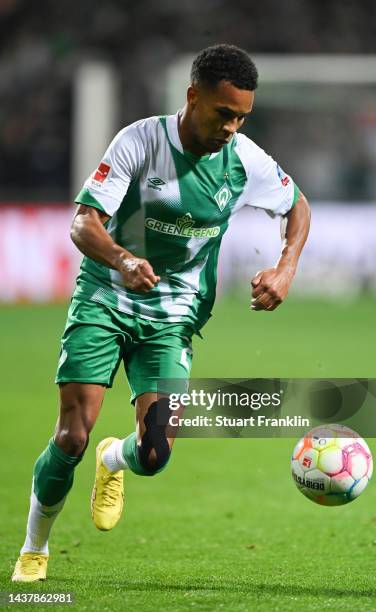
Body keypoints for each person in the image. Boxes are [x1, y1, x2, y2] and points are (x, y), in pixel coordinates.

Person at [12, 43, 310, 582]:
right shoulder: (140, 141)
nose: (232, 127)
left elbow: (298, 206)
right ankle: (35, 547)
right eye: (224, 113)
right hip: (105, 298)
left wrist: (285, 267)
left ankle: (114, 460)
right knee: (71, 436)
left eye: (242, 116)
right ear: (193, 96)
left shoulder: (245, 160)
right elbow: (83, 223)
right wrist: (124, 260)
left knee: (154, 454)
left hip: (173, 315)